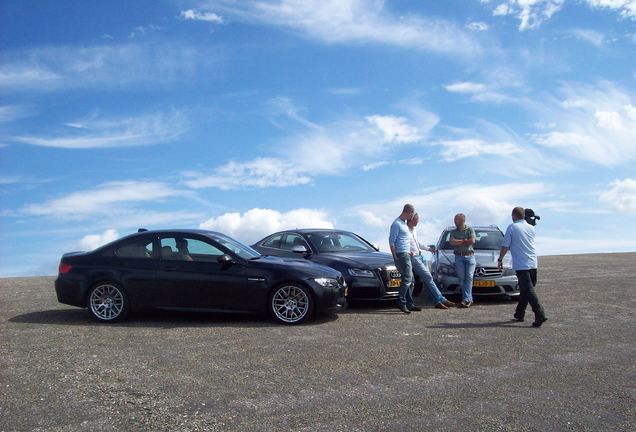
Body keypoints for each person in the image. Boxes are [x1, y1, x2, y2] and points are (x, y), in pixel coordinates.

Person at [498, 207, 547, 327]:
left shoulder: (512, 227)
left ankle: (539, 313)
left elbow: (505, 246)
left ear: (513, 216)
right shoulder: (531, 228)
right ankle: (519, 313)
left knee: (528, 290)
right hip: (533, 263)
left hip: (521, 264)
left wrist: (500, 259)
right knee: (526, 290)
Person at [407, 213, 456, 309]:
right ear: (411, 219)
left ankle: (436, 302)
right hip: (413, 257)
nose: (418, 222)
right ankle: (442, 299)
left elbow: (417, 243)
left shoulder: (414, 230)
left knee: (428, 280)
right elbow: (402, 243)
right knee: (428, 278)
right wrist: (407, 251)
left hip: (420, 255)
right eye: (417, 220)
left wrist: (428, 249)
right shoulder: (405, 230)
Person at [389, 203, 419, 314]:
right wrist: (395, 255)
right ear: (409, 212)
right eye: (412, 213)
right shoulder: (396, 224)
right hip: (401, 255)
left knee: (411, 280)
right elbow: (392, 241)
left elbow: (403, 241)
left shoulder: (403, 224)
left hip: (405, 253)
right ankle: (401, 301)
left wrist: (408, 251)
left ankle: (409, 303)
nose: (413, 216)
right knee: (407, 278)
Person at [449, 213, 476, 308]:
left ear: (463, 220)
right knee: (462, 278)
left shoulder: (470, 229)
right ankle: (468, 299)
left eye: (457, 220)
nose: (455, 221)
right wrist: (465, 240)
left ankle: (466, 299)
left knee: (469, 277)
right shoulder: (453, 231)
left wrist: (458, 242)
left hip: (470, 256)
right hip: (458, 257)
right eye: (455, 219)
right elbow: (452, 242)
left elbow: (472, 241)